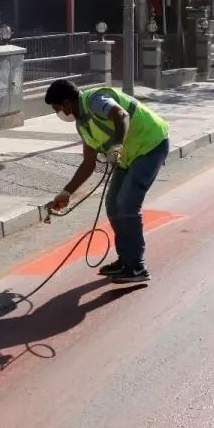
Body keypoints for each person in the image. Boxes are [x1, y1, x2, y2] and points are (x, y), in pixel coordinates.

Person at [46, 79, 170, 284]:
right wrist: (66, 193)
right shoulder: (83, 126)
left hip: (151, 145)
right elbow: (88, 164)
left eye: (57, 108)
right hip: (128, 156)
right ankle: (126, 260)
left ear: (67, 103)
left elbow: (121, 115)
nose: (58, 113)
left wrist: (116, 147)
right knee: (113, 204)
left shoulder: (94, 100)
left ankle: (136, 266)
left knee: (128, 203)